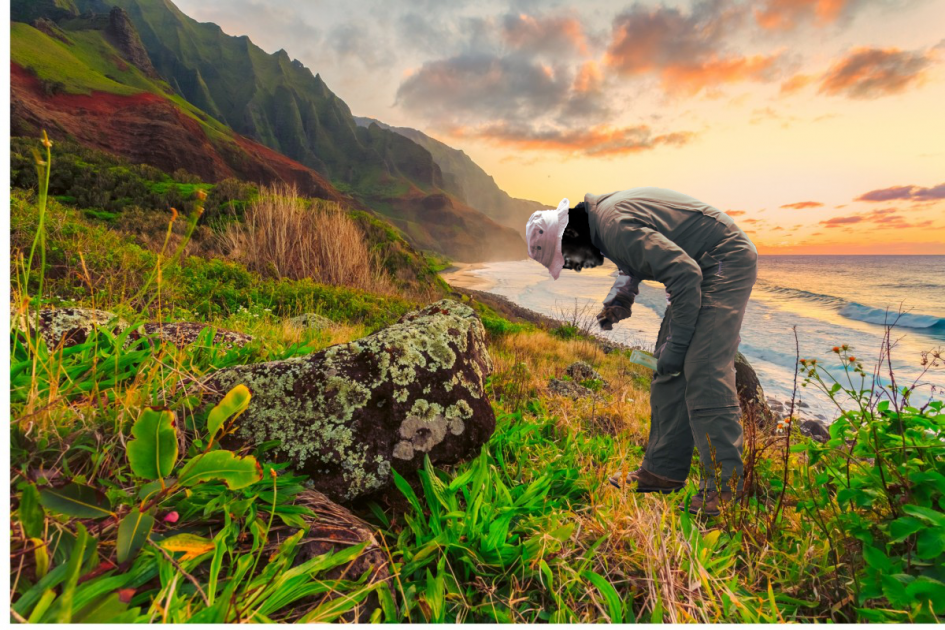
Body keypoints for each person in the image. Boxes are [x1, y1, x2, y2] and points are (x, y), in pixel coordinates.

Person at [525, 189, 758, 516]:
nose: (576, 266)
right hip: (701, 264)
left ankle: (725, 488)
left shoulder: (614, 225)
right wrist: (618, 303)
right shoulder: (604, 224)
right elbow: (632, 262)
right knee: (668, 371)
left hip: (723, 259)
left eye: (568, 259)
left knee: (703, 367)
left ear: (572, 234)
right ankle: (662, 471)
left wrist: (676, 349)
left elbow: (684, 274)